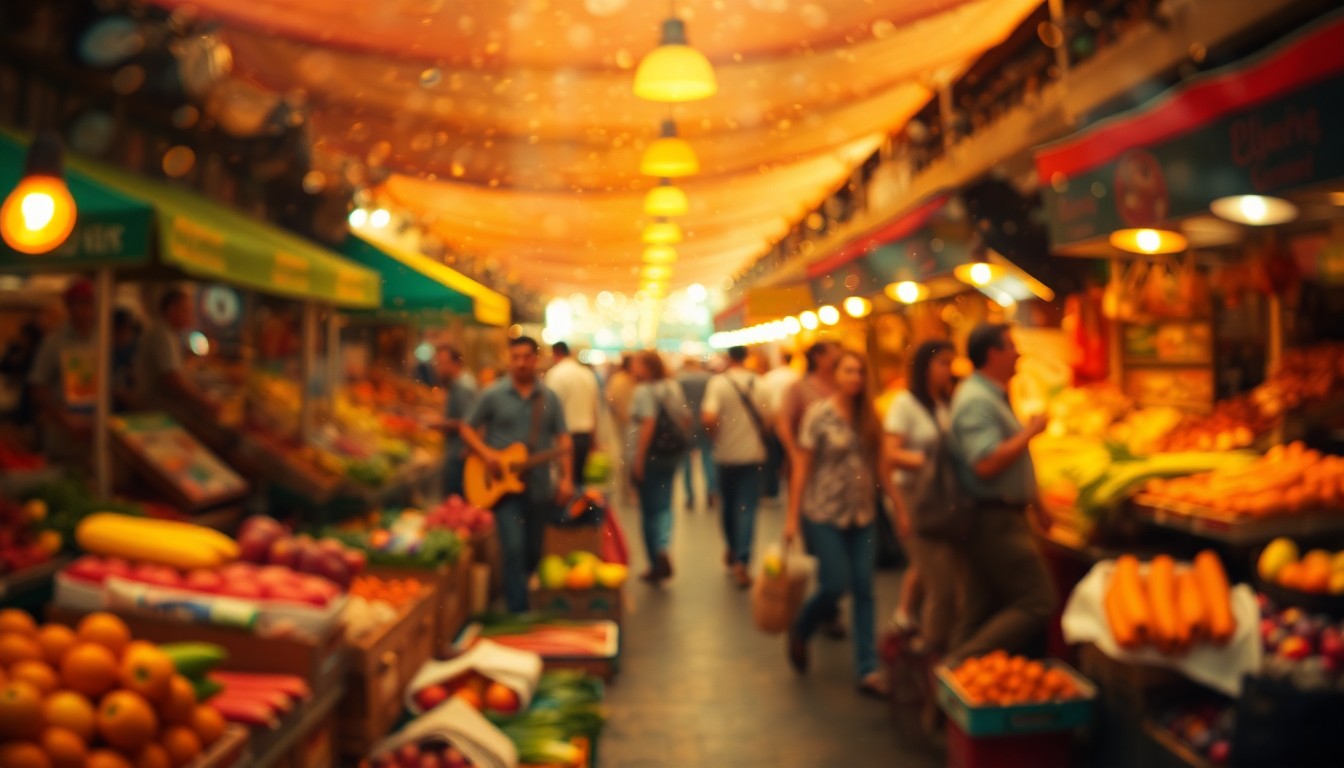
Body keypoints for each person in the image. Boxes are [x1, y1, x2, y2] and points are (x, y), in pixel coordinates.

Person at [785, 350, 897, 698]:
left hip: (862, 513)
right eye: (849, 372)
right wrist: (792, 517)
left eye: (860, 372)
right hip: (823, 513)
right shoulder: (819, 415)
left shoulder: (869, 417)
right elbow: (802, 466)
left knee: (864, 588)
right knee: (835, 583)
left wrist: (898, 506)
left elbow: (880, 464)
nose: (855, 379)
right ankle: (801, 627)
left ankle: (868, 668)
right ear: (835, 375)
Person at [946, 324, 1054, 664]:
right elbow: (986, 463)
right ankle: (959, 665)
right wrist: (1031, 432)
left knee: (979, 607)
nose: (1018, 352)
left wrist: (1037, 502)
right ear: (992, 354)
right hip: (994, 518)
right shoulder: (976, 400)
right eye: (1011, 346)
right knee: (1038, 600)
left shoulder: (991, 395)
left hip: (998, 514)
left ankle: (949, 693)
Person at [459, 336, 574, 613]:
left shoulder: (549, 399)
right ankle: (518, 611)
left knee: (534, 550)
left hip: (538, 486)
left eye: (526, 357)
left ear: (535, 359)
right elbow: (466, 428)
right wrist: (487, 455)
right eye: (515, 358)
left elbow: (563, 440)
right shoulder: (492, 394)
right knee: (512, 547)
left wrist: (567, 478)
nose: (521, 363)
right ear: (508, 360)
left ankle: (524, 590)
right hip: (502, 487)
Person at [881, 340, 960, 654]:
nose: (949, 370)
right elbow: (890, 454)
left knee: (928, 565)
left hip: (940, 497)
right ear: (926, 367)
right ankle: (931, 647)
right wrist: (931, 460)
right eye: (943, 363)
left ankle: (904, 619)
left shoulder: (944, 402)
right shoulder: (905, 404)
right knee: (940, 581)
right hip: (914, 496)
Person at [776, 340, 846, 638]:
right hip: (809, 477)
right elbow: (781, 421)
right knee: (820, 548)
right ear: (819, 357)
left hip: (843, 481)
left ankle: (829, 607)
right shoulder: (800, 388)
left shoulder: (843, 386)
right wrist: (794, 452)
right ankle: (824, 609)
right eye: (834, 350)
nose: (839, 355)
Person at [701, 346, 770, 588]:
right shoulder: (761, 383)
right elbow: (770, 419)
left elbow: (708, 417)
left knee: (728, 506)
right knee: (748, 509)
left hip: (725, 455)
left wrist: (715, 437)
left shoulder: (719, 383)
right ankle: (743, 560)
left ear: (729, 358)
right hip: (753, 456)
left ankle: (732, 550)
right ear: (747, 357)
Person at [628, 350, 692, 584]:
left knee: (648, 509)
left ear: (647, 367)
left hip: (650, 456)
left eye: (636, 363)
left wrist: (638, 459)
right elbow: (686, 418)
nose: (633, 368)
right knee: (665, 503)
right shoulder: (672, 387)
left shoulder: (643, 391)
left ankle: (654, 560)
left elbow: (648, 424)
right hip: (670, 454)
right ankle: (663, 544)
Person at [28, 280, 99, 463]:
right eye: (80, 303)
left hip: (96, 438)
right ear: (69, 306)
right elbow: (38, 387)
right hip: (63, 440)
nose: (85, 310)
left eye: (89, 303)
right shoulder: (54, 342)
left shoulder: (102, 339)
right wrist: (64, 418)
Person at [544, 341, 600, 488]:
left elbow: (551, 410)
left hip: (565, 438)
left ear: (556, 353)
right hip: (585, 435)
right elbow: (594, 410)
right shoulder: (587, 374)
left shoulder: (556, 374)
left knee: (565, 484)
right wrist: (595, 440)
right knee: (580, 483)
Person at [133, 288, 195, 408]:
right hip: (154, 409)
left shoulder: (169, 333)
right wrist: (205, 401)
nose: (190, 318)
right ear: (172, 310)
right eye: (186, 311)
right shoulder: (161, 334)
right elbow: (172, 379)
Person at [433, 344, 477, 498]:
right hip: (456, 452)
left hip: (459, 454)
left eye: (442, 363)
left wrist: (438, 424)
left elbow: (467, 423)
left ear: (455, 363)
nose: (438, 368)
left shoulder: (463, 387)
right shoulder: (458, 384)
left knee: (456, 500)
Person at [675, 356, 716, 511]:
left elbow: (678, 404)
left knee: (686, 463)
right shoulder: (709, 379)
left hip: (687, 424)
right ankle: (711, 491)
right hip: (705, 423)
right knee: (707, 458)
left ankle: (690, 496)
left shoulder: (680, 380)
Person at [759, 352, 800, 499]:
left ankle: (772, 489)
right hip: (793, 421)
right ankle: (792, 488)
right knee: (791, 456)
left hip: (774, 420)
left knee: (773, 457)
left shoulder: (770, 377)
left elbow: (764, 400)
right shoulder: (797, 376)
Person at [604, 354, 637, 500]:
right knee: (628, 456)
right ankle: (628, 490)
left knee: (625, 456)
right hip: (628, 423)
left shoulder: (618, 379)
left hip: (622, 422)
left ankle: (626, 489)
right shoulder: (628, 379)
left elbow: (610, 400)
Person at [110, 309, 141, 413]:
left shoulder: (132, 348)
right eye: (126, 328)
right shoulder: (105, 353)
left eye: (131, 329)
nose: (129, 334)